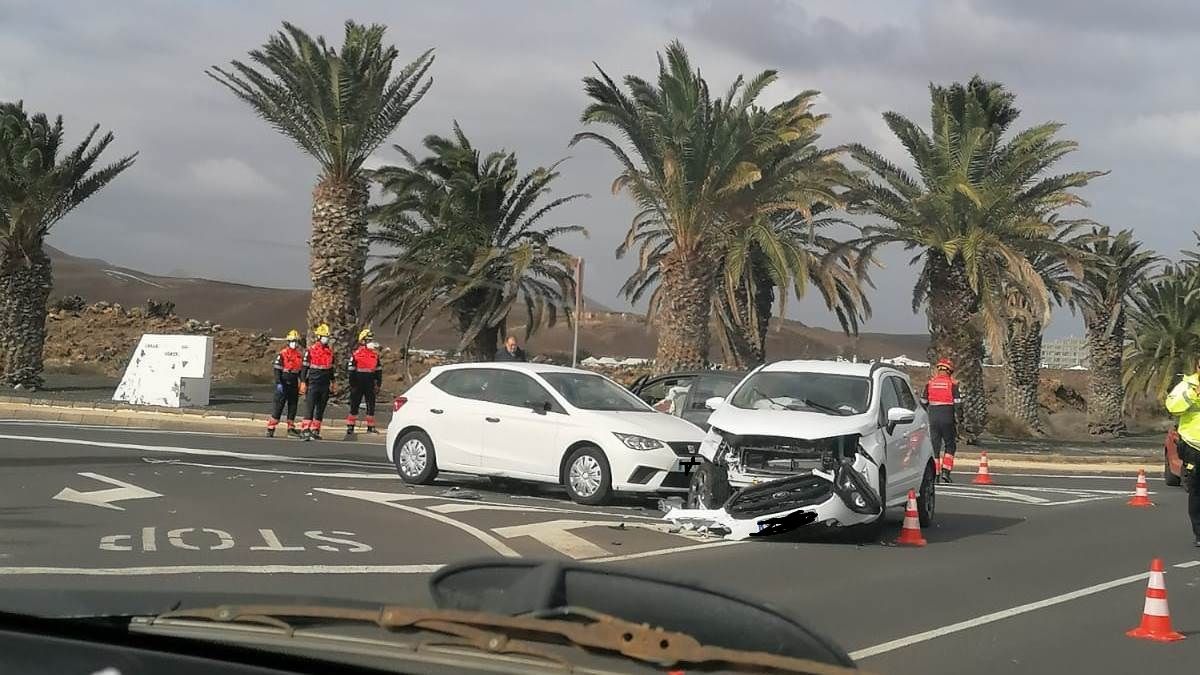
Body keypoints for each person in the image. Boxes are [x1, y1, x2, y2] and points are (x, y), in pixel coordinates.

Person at [1164, 366, 1200, 547]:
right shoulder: (1186, 386)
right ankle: (1199, 533)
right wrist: (1193, 394)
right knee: (1197, 490)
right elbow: (1172, 407)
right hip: (1194, 446)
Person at [920, 358, 961, 483]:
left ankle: (935, 474)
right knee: (950, 445)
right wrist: (960, 419)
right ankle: (946, 472)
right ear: (950, 371)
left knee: (935, 446)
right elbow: (958, 404)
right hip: (948, 417)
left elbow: (923, 402)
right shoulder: (952, 384)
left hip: (933, 418)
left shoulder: (930, 383)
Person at [299, 323, 336, 441]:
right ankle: (305, 430)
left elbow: (330, 369)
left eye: (327, 337)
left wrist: (333, 382)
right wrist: (303, 382)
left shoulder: (329, 352)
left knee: (321, 408)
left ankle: (315, 430)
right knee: (310, 406)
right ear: (319, 337)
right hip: (313, 383)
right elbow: (304, 368)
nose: (327, 339)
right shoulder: (310, 351)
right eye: (325, 336)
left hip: (324, 384)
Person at [345, 328, 383, 437]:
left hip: (370, 383)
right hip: (358, 383)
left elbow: (378, 371)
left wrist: (378, 384)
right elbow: (351, 370)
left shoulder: (375, 355)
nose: (371, 342)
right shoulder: (356, 354)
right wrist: (352, 385)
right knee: (354, 405)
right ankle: (350, 426)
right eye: (368, 340)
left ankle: (371, 427)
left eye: (371, 340)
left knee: (371, 405)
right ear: (362, 341)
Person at [266, 329, 303, 438]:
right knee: (279, 406)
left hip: (293, 383)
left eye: (296, 341)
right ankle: (271, 428)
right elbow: (277, 370)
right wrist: (278, 383)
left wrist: (302, 383)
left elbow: (300, 371)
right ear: (288, 341)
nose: (294, 343)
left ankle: (290, 427)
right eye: (292, 341)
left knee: (293, 406)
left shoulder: (299, 356)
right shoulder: (282, 354)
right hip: (283, 382)